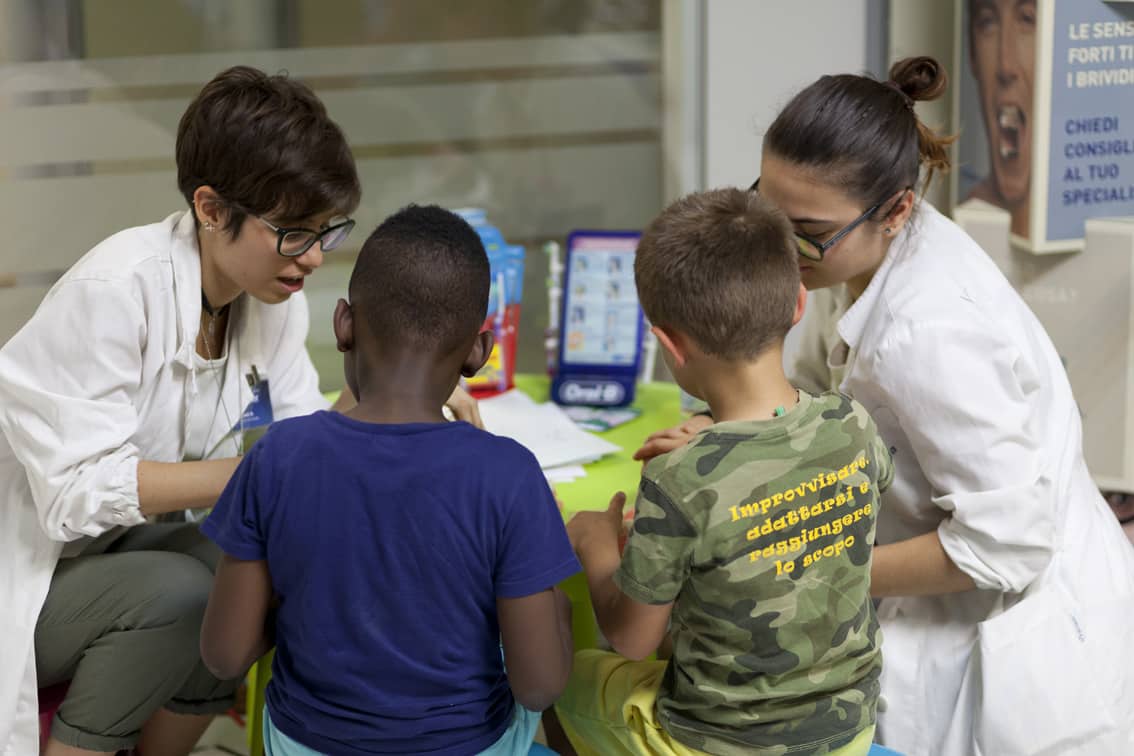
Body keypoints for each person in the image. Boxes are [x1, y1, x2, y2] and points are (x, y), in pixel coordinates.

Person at [636, 57, 1134, 755]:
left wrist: (812, 568)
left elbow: (1009, 543)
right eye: (768, 207)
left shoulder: (929, 334)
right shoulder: (849, 257)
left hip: (1013, 640)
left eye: (806, 228)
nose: (781, 244)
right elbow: (814, 392)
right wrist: (732, 433)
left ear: (896, 210)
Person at [0, 68, 477, 756]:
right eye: (291, 232)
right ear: (211, 208)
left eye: (325, 231)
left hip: (109, 558)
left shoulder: (270, 299)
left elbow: (299, 433)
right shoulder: (114, 293)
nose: (312, 258)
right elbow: (76, 496)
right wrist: (262, 467)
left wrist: (397, 396)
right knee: (183, 593)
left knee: (254, 575)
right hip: (31, 573)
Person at [199, 204, 579, 756]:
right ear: (480, 350)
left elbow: (225, 656)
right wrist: (560, 615)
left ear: (344, 324)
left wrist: (302, 606)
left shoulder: (277, 457)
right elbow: (540, 686)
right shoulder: (509, 473)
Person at [553, 188, 894, 756]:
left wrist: (596, 547)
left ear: (669, 344)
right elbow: (819, 493)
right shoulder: (852, 423)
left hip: (712, 743)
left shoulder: (678, 477)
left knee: (564, 677)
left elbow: (633, 640)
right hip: (850, 729)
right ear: (797, 306)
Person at [964, 0, 1035, 238]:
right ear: (972, 55)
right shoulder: (958, 229)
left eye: (1027, 19)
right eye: (987, 22)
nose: (1006, 66)